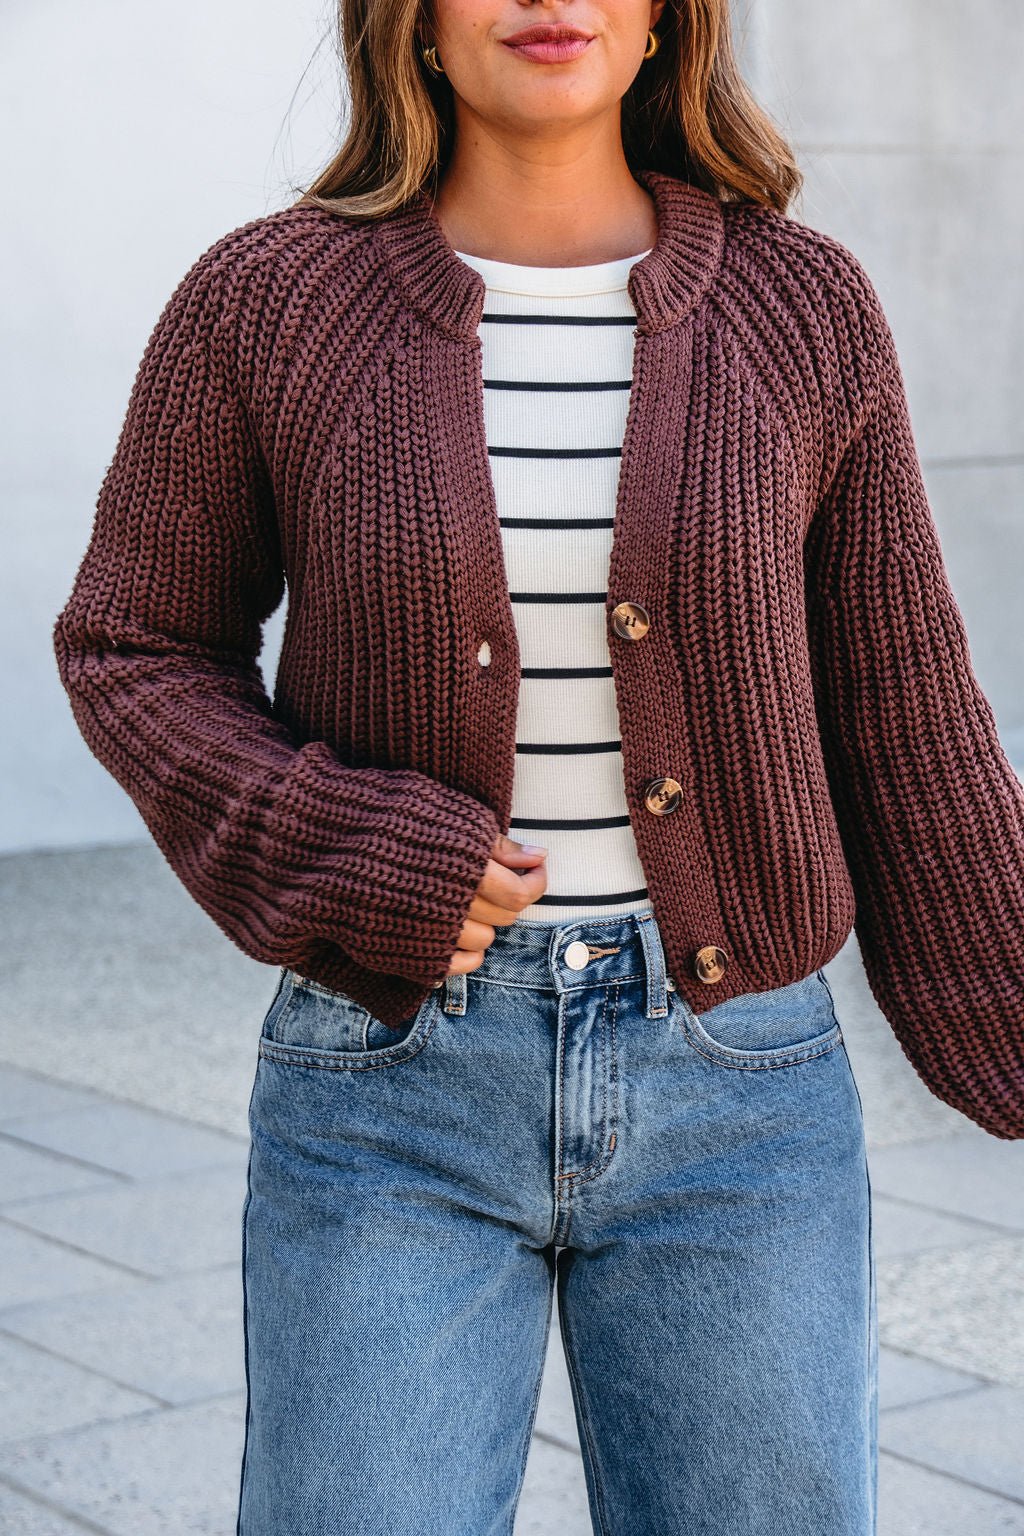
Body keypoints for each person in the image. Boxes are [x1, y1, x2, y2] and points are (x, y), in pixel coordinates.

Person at [52, 0, 1024, 1530]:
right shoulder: (266, 302)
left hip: (741, 1088)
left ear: (668, 22)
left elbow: (903, 706)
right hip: (388, 1086)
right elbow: (133, 645)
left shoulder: (801, 306)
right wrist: (351, 850)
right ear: (415, 25)